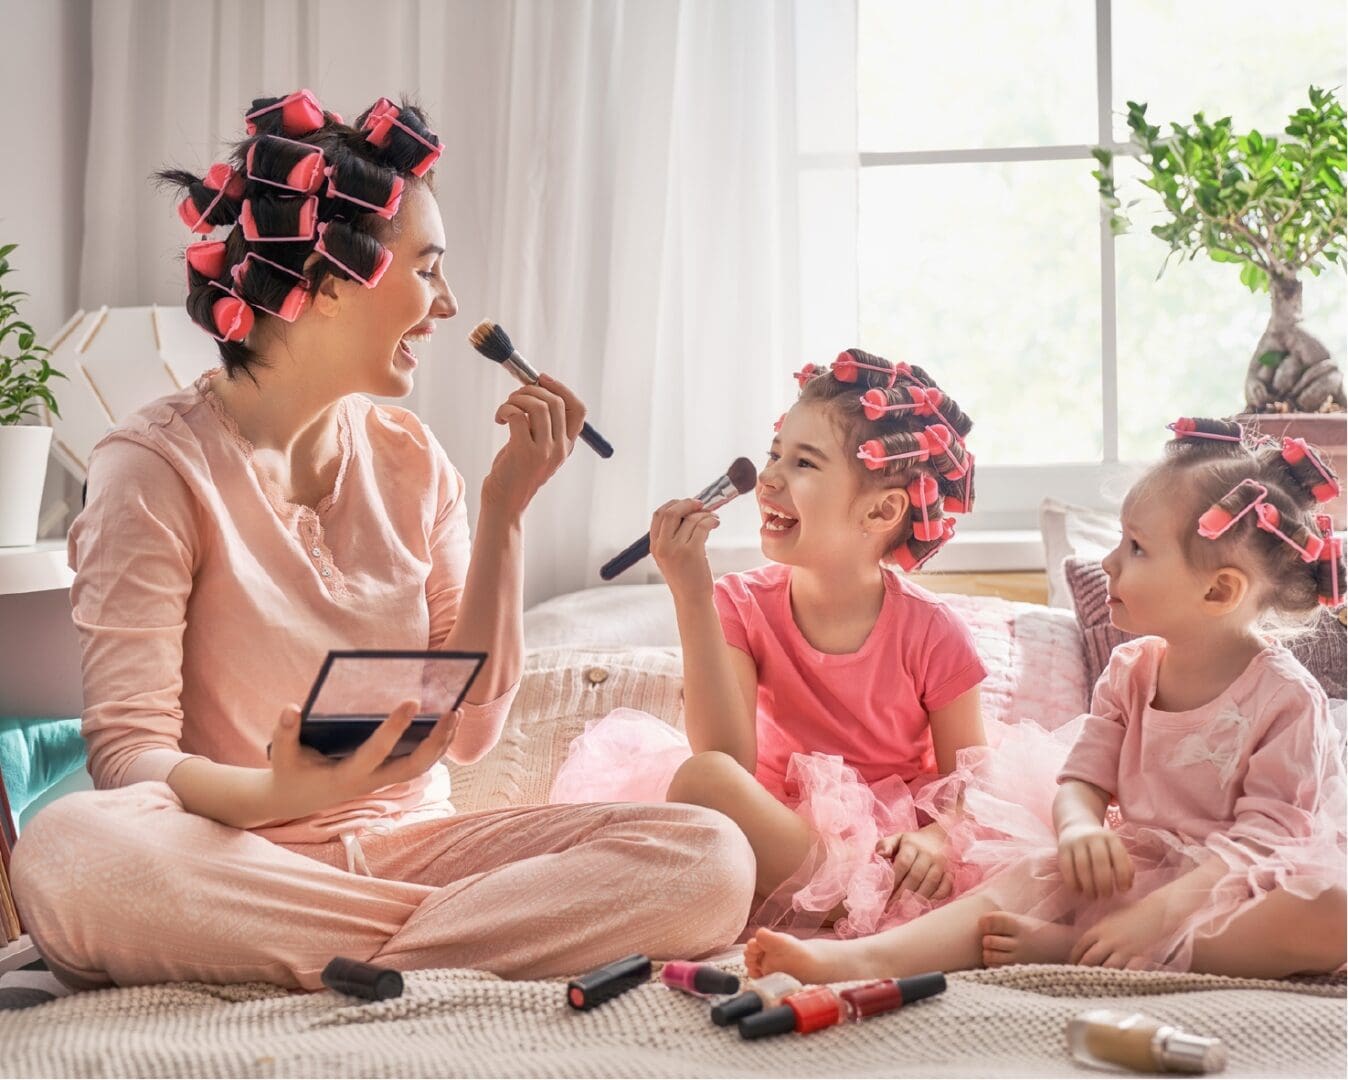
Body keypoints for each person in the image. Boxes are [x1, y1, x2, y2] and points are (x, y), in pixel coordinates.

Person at [9, 90, 754, 992]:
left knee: (710, 854)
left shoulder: (412, 460)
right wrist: (276, 797)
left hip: (417, 852)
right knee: (68, 848)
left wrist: (506, 511)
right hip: (238, 858)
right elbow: (130, 756)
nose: (445, 306)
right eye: (428, 269)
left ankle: (349, 956)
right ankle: (432, 949)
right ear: (326, 287)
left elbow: (471, 734)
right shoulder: (152, 470)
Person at [746, 417, 1346, 981]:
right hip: (1140, 865)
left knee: (1331, 912)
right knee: (1029, 874)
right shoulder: (1131, 670)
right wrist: (1081, 829)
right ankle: (862, 960)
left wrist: (1156, 917)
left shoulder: (1286, 699)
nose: (1109, 562)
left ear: (1218, 590)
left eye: (1135, 548)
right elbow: (1081, 780)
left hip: (1242, 881)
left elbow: (1262, 843)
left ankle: (1092, 946)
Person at [553, 349, 987, 938]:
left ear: (882, 509)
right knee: (702, 778)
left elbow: (972, 779)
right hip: (777, 835)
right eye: (774, 453)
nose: (769, 478)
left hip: (888, 845)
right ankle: (844, 902)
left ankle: (856, 898)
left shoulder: (934, 632)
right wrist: (692, 595)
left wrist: (934, 839)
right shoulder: (740, 604)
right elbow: (727, 760)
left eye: (804, 463)